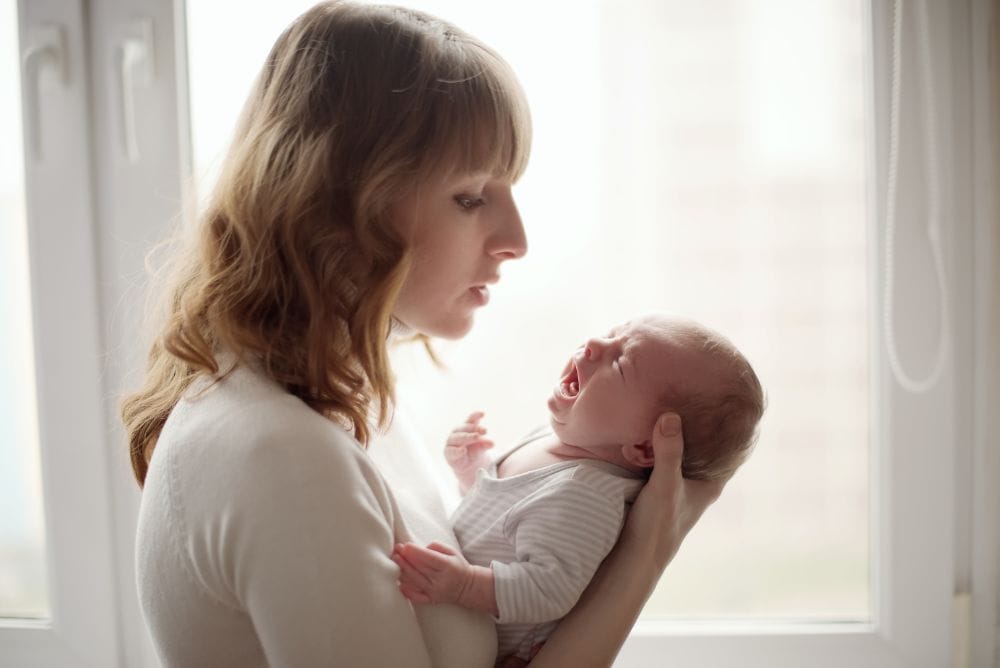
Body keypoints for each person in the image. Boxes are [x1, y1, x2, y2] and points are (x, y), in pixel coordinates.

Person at [121, 3, 727, 666]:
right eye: (471, 196)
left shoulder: (347, 402)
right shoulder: (283, 454)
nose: (517, 240)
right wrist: (644, 555)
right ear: (340, 204)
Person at [392, 314, 764, 663]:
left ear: (645, 447)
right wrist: (474, 468)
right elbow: (507, 519)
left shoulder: (585, 496)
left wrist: (464, 585)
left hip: (486, 649)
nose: (592, 344)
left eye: (619, 363)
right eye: (612, 333)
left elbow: (546, 589)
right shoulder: (553, 443)